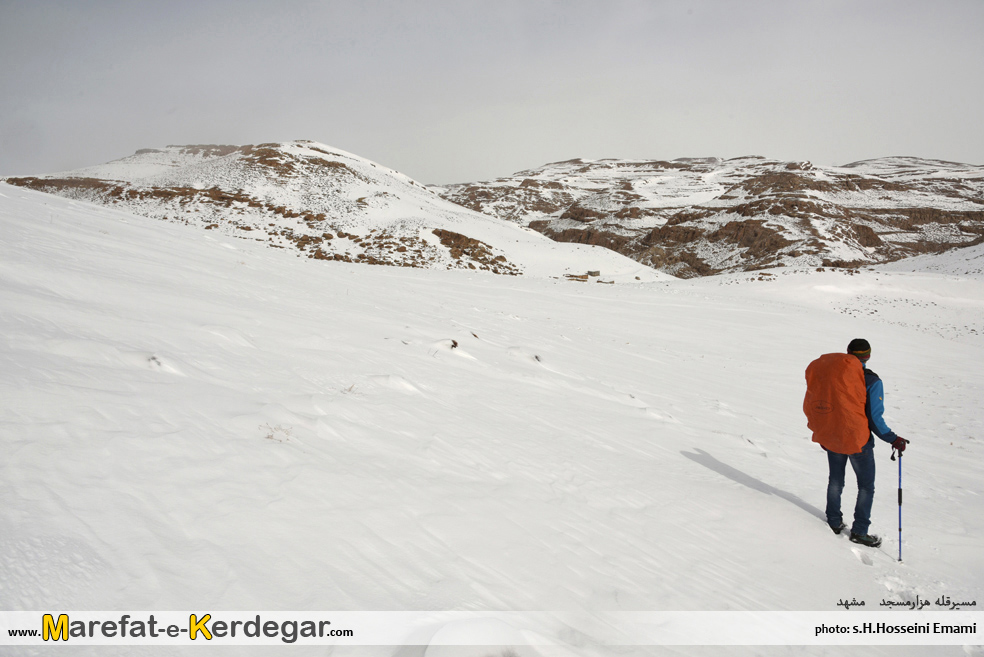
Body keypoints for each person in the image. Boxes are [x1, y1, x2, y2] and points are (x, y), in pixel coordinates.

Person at [824, 338, 908, 548]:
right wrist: (893, 439)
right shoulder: (870, 381)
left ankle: (834, 522)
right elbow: (875, 419)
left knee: (835, 480)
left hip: (834, 436)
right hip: (858, 441)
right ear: (868, 356)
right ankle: (860, 532)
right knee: (866, 487)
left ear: (848, 353)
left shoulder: (833, 375)